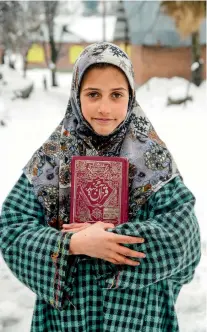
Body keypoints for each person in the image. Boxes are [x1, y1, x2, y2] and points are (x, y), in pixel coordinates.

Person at [0, 42, 201, 332]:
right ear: (76, 95)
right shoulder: (53, 158)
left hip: (139, 316)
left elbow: (184, 234)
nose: (104, 107)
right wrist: (73, 244)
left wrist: (110, 242)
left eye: (116, 95)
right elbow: (12, 227)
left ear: (130, 97)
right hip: (66, 319)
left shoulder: (152, 159)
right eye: (93, 94)